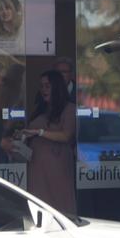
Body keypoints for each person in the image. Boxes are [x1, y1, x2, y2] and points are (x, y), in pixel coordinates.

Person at [21, 70, 77, 215]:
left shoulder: (69, 109)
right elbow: (30, 131)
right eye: (41, 86)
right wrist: (22, 135)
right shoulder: (41, 109)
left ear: (56, 87)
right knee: (38, 205)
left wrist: (40, 132)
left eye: (47, 86)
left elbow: (66, 135)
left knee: (59, 206)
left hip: (57, 167)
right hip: (36, 166)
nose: (43, 89)